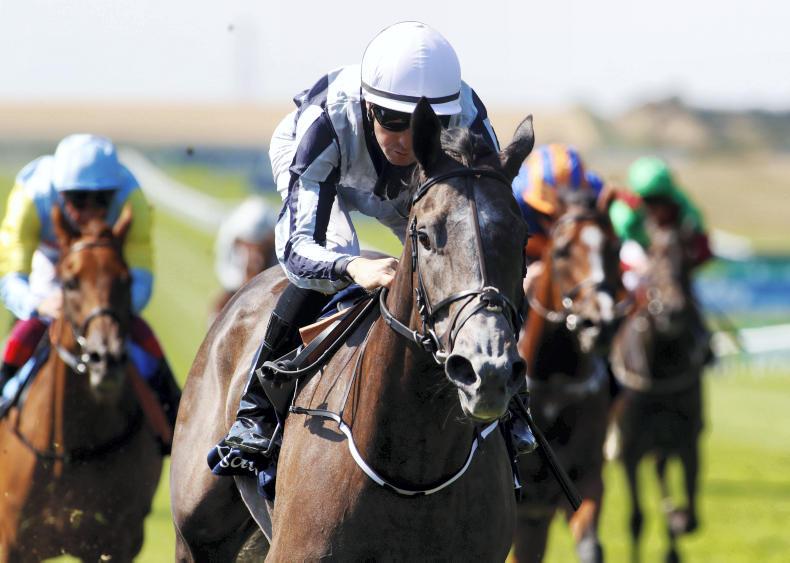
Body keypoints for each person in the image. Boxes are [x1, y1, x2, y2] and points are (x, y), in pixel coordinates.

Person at [219, 21, 536, 459]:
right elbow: (296, 250)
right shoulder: (324, 124)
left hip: (418, 181)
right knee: (336, 255)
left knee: (469, 263)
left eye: (421, 126)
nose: (404, 140)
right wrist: (352, 267)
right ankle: (256, 410)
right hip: (332, 169)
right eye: (392, 121)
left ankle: (513, 400)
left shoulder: (470, 123)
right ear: (369, 107)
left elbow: (486, 227)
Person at [0, 134, 181, 433]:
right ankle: (6, 385)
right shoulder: (32, 196)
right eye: (78, 199)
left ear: (115, 193)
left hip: (104, 270)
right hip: (49, 264)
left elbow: (142, 277)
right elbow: (10, 277)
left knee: (136, 330)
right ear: (59, 193)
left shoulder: (131, 198)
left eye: (102, 199)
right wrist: (38, 304)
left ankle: (175, 412)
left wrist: (108, 308)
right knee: (30, 326)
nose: (91, 211)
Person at [609, 157, 712, 291]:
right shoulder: (627, 217)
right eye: (649, 202)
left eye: (661, 202)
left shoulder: (683, 212)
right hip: (639, 267)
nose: (656, 210)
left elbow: (702, 246)